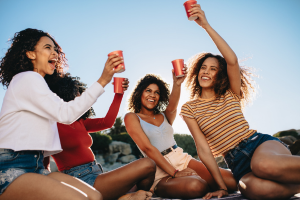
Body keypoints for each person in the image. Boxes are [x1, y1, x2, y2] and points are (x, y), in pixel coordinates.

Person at [180, 4, 300, 200]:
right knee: (251, 190)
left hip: (258, 145)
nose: (206, 71)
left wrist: (206, 26)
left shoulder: (230, 93)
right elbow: (203, 150)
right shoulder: (190, 109)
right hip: (236, 163)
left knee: (263, 165)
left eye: (213, 68)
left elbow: (233, 61)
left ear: (220, 75)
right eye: (203, 67)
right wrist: (222, 187)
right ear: (196, 72)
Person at [0, 28, 124, 200]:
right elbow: (66, 113)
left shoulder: (38, 87)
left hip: (36, 168)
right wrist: (104, 79)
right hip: (12, 168)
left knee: (96, 197)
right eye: (47, 48)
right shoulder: (27, 78)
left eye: (55, 50)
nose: (55, 53)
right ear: (30, 54)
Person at [124, 72, 237, 199]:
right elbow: (147, 148)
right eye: (148, 90)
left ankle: (205, 183)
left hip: (181, 158)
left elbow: (172, 108)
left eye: (157, 92)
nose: (152, 95)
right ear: (140, 93)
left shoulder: (164, 115)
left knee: (232, 182)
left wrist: (177, 84)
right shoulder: (132, 117)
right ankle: (189, 184)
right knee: (196, 186)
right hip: (158, 168)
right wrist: (174, 173)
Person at [45, 74, 155, 200]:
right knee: (148, 165)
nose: (81, 96)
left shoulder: (80, 121)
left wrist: (119, 94)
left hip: (98, 173)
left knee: (148, 173)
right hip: (80, 179)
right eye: (77, 93)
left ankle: (128, 197)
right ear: (66, 94)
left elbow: (107, 122)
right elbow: (43, 158)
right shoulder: (51, 124)